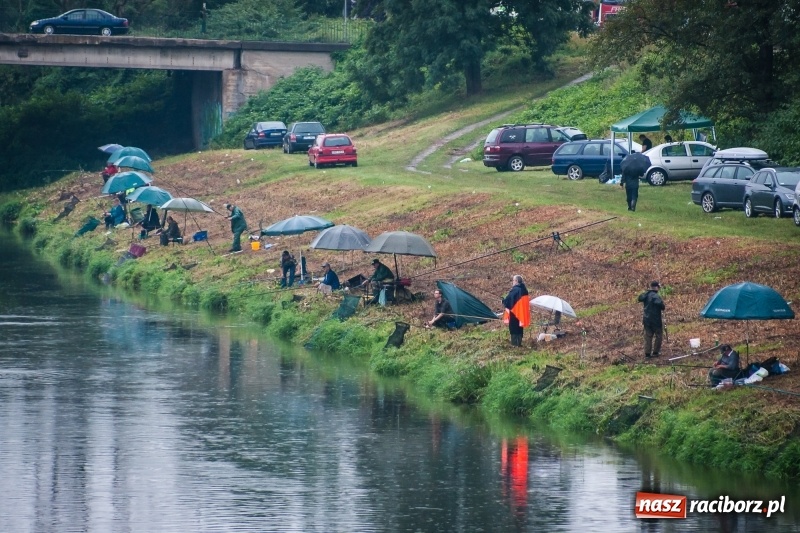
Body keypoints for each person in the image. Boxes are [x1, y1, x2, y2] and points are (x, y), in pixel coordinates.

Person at [638, 281, 665, 358]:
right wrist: (662, 305)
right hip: (655, 320)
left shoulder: (646, 294)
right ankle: (655, 352)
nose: (658, 289)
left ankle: (647, 354)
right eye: (658, 287)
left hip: (646, 319)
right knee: (659, 336)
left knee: (648, 336)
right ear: (656, 287)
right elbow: (661, 305)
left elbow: (640, 298)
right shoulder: (655, 296)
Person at [502, 275, 530, 347]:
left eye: (513, 280)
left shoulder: (515, 290)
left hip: (515, 312)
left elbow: (509, 300)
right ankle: (519, 343)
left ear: (516, 281)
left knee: (513, 327)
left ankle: (514, 344)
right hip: (521, 313)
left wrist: (503, 301)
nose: (512, 282)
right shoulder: (525, 290)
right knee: (520, 328)